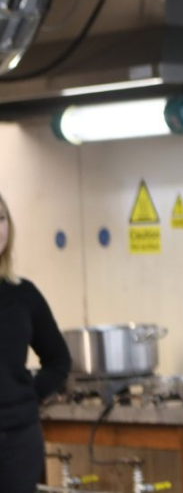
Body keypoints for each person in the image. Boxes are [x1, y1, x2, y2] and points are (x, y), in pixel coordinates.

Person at [0, 191, 72, 493]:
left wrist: (27, 393)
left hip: (17, 440)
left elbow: (59, 360)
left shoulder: (24, 294)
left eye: (1, 218)